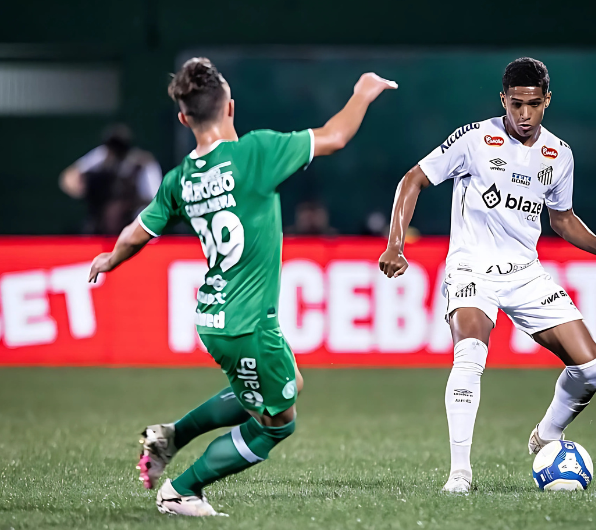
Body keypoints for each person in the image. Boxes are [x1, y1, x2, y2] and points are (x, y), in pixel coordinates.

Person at [87, 57, 396, 515]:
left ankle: (171, 437)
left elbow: (137, 231)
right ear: (231, 107)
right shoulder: (257, 153)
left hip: (216, 315)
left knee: (288, 384)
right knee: (276, 424)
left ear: (184, 118)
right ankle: (183, 491)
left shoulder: (180, 179)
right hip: (246, 324)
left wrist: (109, 259)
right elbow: (335, 136)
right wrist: (363, 92)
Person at [378, 57, 596, 494]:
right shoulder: (474, 139)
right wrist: (395, 244)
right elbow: (412, 180)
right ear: (503, 99)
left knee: (591, 367)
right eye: (515, 104)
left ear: (546, 101)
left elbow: (563, 219)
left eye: (533, 105)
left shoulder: (559, 155)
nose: (523, 115)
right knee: (470, 355)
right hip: (471, 267)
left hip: (524, 272)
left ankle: (547, 436)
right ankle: (460, 473)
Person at [60, 124, 162, 234]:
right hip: (102, 218)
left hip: (133, 215)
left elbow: (155, 199)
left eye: (118, 148)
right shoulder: (102, 155)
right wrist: (84, 189)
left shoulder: (143, 163)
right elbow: (69, 177)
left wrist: (127, 204)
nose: (114, 152)